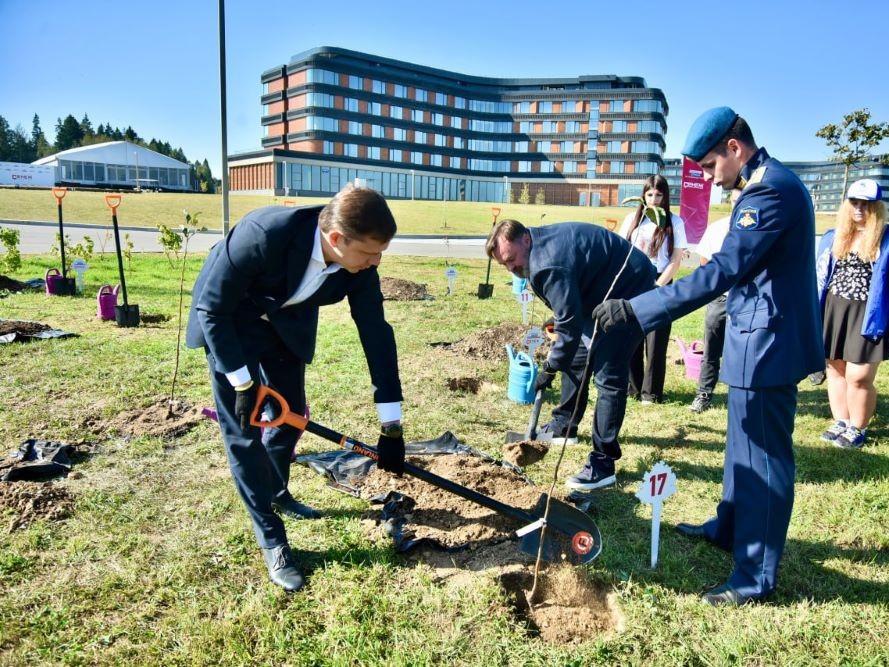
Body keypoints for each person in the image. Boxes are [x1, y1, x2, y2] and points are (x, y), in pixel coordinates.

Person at [592, 107, 822, 606]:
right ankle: (730, 526)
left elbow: (721, 272)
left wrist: (639, 310)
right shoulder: (762, 182)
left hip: (769, 345)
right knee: (741, 448)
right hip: (753, 339)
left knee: (763, 460)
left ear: (734, 149)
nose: (712, 181)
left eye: (712, 167)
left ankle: (754, 575)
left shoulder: (770, 190)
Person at [186, 184, 406, 592]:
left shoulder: (359, 266)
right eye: (370, 253)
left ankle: (277, 489)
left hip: (286, 326)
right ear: (337, 239)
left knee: (290, 419)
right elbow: (213, 307)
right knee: (244, 433)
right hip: (230, 322)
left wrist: (391, 426)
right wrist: (242, 383)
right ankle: (272, 537)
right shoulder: (264, 233)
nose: (376, 262)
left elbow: (376, 333)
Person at [486, 219, 656, 490]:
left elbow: (568, 323)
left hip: (631, 290)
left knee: (609, 376)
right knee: (576, 355)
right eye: (503, 264)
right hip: (600, 291)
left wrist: (550, 367)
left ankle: (603, 463)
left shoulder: (547, 264)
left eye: (511, 259)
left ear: (526, 240)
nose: (510, 268)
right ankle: (564, 424)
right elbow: (570, 315)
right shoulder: (535, 251)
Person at [816, 178, 889, 448]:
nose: (859, 208)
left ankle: (858, 427)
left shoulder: (886, 237)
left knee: (859, 376)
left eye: (866, 204)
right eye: (854, 203)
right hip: (835, 310)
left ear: (876, 207)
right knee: (835, 370)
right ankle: (842, 421)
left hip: (870, 314)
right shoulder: (834, 236)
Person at [620, 175, 688, 403]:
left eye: (659, 195)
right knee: (631, 336)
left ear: (665, 196)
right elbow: (621, 251)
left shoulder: (674, 222)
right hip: (634, 281)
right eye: (650, 194)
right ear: (643, 195)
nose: (654, 199)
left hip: (660, 282)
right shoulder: (633, 219)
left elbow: (675, 260)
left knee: (656, 339)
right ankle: (633, 387)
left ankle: (651, 393)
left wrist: (658, 287)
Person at [688, 188, 740, 413]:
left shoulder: (758, 229)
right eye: (736, 199)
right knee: (711, 350)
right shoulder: (717, 228)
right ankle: (704, 394)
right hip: (720, 299)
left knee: (742, 351)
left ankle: (741, 396)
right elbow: (704, 264)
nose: (739, 204)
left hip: (747, 301)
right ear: (730, 201)